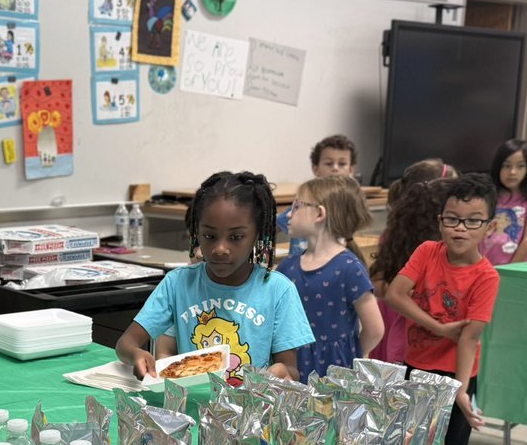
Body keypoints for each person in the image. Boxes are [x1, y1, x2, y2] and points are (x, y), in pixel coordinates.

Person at [116, 171, 315, 383]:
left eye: (236, 237)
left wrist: (282, 373)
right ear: (196, 232)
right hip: (191, 409)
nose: (220, 249)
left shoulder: (278, 290)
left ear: (257, 235)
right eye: (209, 236)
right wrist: (138, 354)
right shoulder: (177, 284)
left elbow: (292, 371)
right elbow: (125, 344)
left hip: (250, 411)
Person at [386, 174, 500, 445]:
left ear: (490, 227)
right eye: (453, 219)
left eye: (473, 220)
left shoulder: (486, 276)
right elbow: (395, 294)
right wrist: (438, 327)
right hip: (416, 368)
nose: (461, 228)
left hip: (456, 375)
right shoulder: (427, 251)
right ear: (440, 222)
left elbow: (469, 338)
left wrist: (461, 390)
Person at [277, 175, 383, 376]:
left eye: (296, 206)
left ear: (319, 213)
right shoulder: (287, 267)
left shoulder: (349, 268)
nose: (288, 215)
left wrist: (351, 355)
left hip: (337, 371)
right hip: (294, 365)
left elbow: (375, 329)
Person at [368, 159, 454, 363]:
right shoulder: (398, 234)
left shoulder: (451, 239)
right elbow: (378, 284)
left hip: (417, 325)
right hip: (405, 324)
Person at [276, 134, 358, 256]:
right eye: (329, 163)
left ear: (351, 170)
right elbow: (267, 229)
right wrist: (260, 261)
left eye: (342, 164)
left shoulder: (351, 208)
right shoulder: (302, 207)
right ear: (315, 168)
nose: (335, 168)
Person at [481, 139, 527, 265]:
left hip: (513, 268)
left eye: (520, 166)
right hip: (482, 267)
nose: (513, 172)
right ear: (498, 167)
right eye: (506, 165)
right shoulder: (486, 197)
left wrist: (511, 269)